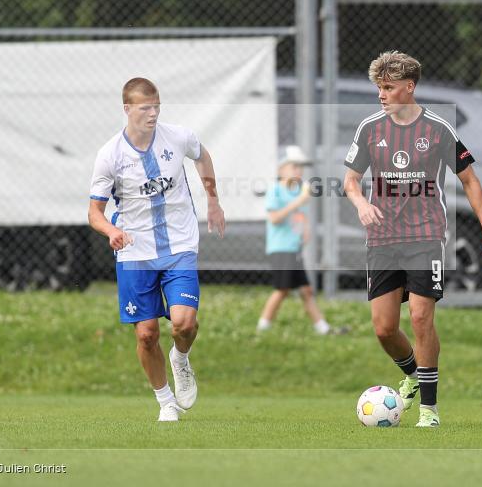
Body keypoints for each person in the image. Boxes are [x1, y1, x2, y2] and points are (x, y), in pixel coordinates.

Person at [342, 51, 482, 428]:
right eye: (378, 87)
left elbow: (470, 180)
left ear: (409, 87)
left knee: (420, 317)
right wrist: (361, 205)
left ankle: (429, 410)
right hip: (382, 238)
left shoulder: (437, 129)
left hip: (425, 236)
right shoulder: (370, 129)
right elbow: (350, 181)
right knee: (384, 328)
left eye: (388, 87)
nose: (381, 94)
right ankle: (415, 376)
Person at [88, 77, 225, 422]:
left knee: (184, 324)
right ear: (127, 109)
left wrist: (213, 201)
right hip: (136, 253)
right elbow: (94, 213)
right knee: (147, 334)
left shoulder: (177, 137)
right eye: (145, 108)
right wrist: (111, 230)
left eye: (156, 106)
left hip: (179, 244)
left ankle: (181, 358)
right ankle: (165, 401)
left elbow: (203, 156)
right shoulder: (110, 155)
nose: (152, 113)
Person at [256, 145, 334, 336]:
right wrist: (299, 201)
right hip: (281, 249)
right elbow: (274, 218)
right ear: (281, 169)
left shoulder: (299, 191)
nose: (299, 171)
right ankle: (262, 328)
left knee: (306, 291)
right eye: (294, 166)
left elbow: (300, 217)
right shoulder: (276, 191)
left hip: (294, 249)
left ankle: (323, 328)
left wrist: (305, 229)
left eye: (301, 167)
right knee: (282, 290)